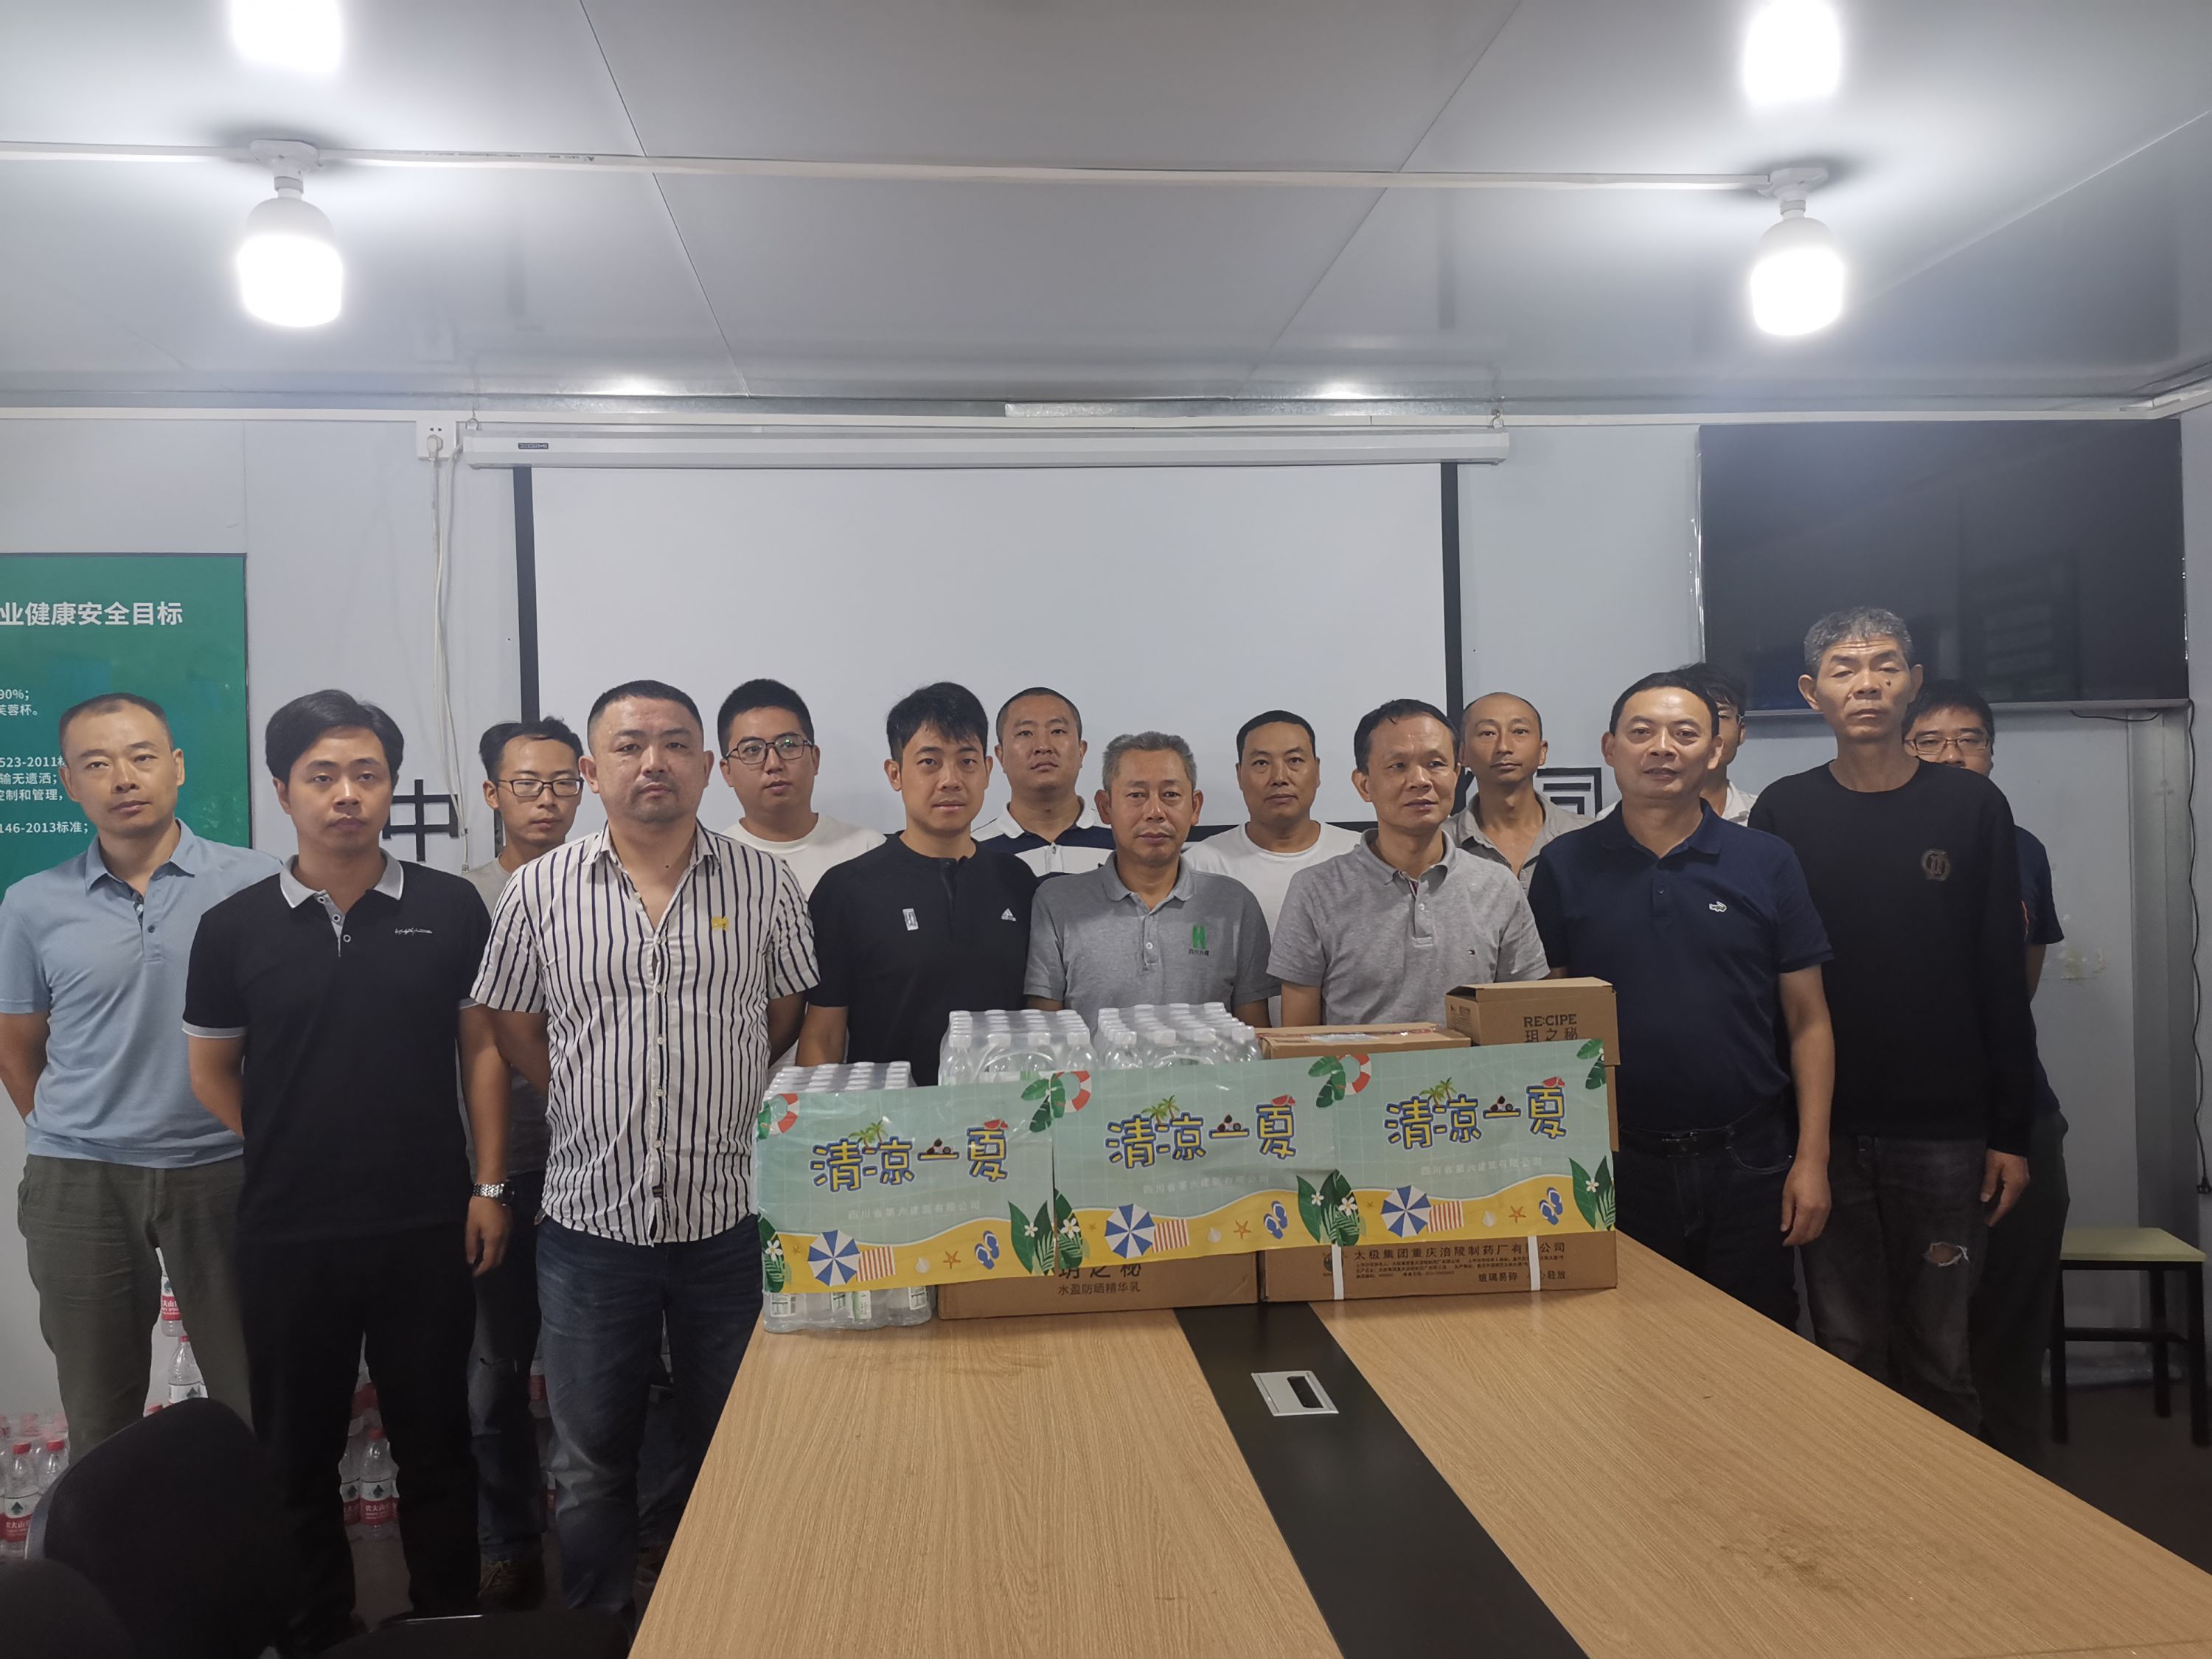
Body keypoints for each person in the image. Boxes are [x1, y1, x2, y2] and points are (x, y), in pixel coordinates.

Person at [471, 679, 815, 1627]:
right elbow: (512, 1023)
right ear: (593, 771)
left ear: (706, 765)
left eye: (673, 743)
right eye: (628, 746)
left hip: (728, 1223)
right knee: (589, 1461)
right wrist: (585, 1091)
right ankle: (601, 1627)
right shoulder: (538, 890)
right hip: (590, 1227)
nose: (652, 762)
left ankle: (724, 1620)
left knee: (734, 1439)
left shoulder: (765, 883)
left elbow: (783, 1012)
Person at [184, 690, 509, 1652]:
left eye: (368, 774)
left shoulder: (448, 906)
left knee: (437, 1442)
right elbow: (211, 1070)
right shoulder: (233, 926)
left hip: (425, 1222)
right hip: (290, 1232)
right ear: (282, 789)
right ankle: (316, 1632)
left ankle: (446, 1620)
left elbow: (482, 1052)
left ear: (392, 787)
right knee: (295, 1454)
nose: (347, 794)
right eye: (321, 775)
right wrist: (293, 1140)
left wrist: (489, 1185)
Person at [1750, 610, 2034, 1433]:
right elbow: (1770, 986)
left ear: (1913, 682)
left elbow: (2001, 978)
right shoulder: (1784, 810)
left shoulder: (1972, 805)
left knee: (1942, 1354)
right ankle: (1858, 1512)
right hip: (1824, 1130)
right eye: (1845, 669)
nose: (1866, 684)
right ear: (1813, 693)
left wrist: (2009, 1131)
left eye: (1884, 666)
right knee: (1843, 1348)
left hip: (1946, 1130)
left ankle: (1950, 1512)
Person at [0, 693, 276, 1454]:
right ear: (69, 783)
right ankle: (111, 1539)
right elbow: (18, 1047)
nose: (123, 777)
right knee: (99, 1412)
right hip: (81, 1181)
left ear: (176, 767)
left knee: (258, 1396)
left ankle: (255, 1534)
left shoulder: (257, 883)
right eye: (97, 764)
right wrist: (72, 1131)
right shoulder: (31, 904)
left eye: (141, 756)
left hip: (225, 1168)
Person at [1528, 672, 1834, 1324]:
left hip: (1750, 1158)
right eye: (1641, 732)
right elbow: (1546, 1019)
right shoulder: (1563, 865)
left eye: (1685, 733)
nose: (1661, 748)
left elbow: (1808, 1019)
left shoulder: (1767, 861)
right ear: (1610, 748)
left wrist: (1812, 1159)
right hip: (1614, 1162)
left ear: (1716, 750)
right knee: (1627, 1346)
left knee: (1755, 1347)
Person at [1905, 679, 2070, 1469]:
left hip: (2016, 1111)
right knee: (1917, 1322)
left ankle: (2017, 1481)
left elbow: (2018, 987)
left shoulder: (2023, 848)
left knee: (2009, 1318)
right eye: (1930, 742)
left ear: (1992, 754)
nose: (1951, 755)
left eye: (1968, 739)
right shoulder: (1868, 840)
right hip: (1908, 1121)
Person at [461, 716, 585, 1610]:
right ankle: (507, 1544)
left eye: (563, 783)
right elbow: (481, 1044)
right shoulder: (462, 898)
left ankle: (614, 1538)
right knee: (493, 1372)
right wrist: (489, 1182)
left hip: (598, 1164)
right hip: (498, 1168)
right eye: (526, 785)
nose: (547, 801)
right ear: (491, 793)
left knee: (602, 1369)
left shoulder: (605, 884)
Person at [799, 684, 1036, 1084]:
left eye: (967, 761)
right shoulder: (847, 890)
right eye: (929, 762)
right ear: (895, 774)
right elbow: (823, 1035)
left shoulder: (1017, 881)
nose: (950, 780)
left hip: (1002, 1115)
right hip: (887, 1116)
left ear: (987, 771)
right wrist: (818, 1114)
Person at [1273, 699, 1548, 1026]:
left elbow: (1526, 1017)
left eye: (1435, 764)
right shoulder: (1316, 890)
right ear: (1364, 785)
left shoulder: (1498, 886)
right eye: (1398, 766)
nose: (1420, 780)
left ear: (1456, 775)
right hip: (1358, 1064)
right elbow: (1298, 1040)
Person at [1025, 732, 1273, 1028]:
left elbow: (1254, 1038)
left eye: (1170, 795)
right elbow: (1044, 1038)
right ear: (1105, 807)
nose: (1155, 812)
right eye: (1136, 795)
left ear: (1195, 807)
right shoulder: (1058, 903)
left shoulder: (1234, 905)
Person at [1182, 709, 1363, 931]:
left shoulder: (1360, 855)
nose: (1279, 777)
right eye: (1261, 763)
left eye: (1294, 760)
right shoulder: (1202, 866)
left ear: (1317, 771)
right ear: (1239, 775)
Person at [716, 678, 881, 897]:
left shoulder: (868, 850)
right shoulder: (713, 865)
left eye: (788, 745)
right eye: (753, 750)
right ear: (727, 771)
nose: (773, 764)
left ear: (815, 759)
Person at [1450, 692, 1588, 889]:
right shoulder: (1438, 844)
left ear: (1542, 752)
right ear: (1462, 754)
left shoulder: (1587, 836)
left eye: (1520, 731)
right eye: (1488, 733)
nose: (1504, 746)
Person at [975, 686, 1116, 876]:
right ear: (1001, 756)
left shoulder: (1122, 841)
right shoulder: (973, 853)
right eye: (1025, 733)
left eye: (1057, 731)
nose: (1043, 746)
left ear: (1081, 751)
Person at [1677, 661, 1759, 823]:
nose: (1710, 726)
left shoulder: (1764, 816)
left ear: (1741, 731)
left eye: (1721, 716)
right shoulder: (1629, 820)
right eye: (1693, 715)